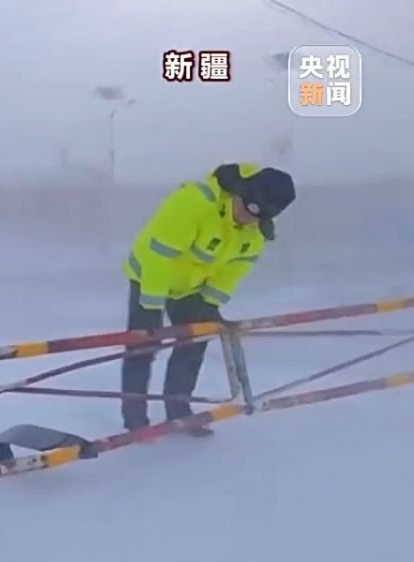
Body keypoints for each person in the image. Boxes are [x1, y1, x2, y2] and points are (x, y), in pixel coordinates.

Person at [120, 163, 296, 434]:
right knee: (143, 344)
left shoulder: (254, 234)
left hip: (191, 287)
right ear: (238, 193)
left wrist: (208, 310)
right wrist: (151, 308)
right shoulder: (195, 203)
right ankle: (135, 421)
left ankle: (178, 412)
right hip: (150, 274)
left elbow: (230, 274)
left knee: (196, 339)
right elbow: (158, 255)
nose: (246, 221)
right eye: (246, 210)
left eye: (256, 218)